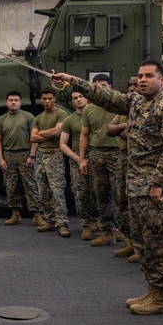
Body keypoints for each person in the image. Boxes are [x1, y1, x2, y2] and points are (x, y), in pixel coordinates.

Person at [55, 62, 163, 315]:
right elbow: (107, 97)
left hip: (159, 189)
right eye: (140, 76)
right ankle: (152, 289)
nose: (142, 80)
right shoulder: (137, 102)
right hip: (137, 185)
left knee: (158, 241)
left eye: (149, 76)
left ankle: (161, 297)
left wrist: (158, 183)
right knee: (143, 241)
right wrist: (73, 79)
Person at [79, 74, 123, 247]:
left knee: (120, 195)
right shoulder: (89, 109)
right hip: (96, 154)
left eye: (103, 85)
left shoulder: (119, 105)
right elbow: (84, 134)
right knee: (101, 194)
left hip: (116, 153)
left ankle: (124, 232)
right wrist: (82, 159)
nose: (100, 89)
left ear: (110, 87)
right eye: (96, 86)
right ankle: (107, 232)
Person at [106, 76, 139, 260]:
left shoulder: (147, 106)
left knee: (138, 205)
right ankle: (130, 242)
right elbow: (109, 129)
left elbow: (138, 135)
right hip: (122, 157)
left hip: (139, 160)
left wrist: (124, 129)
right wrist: (127, 126)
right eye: (130, 84)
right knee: (121, 201)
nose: (133, 87)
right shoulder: (125, 108)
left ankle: (142, 248)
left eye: (136, 84)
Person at [30, 88, 71, 237]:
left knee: (57, 191)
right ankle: (50, 221)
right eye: (44, 99)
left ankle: (62, 224)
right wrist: (45, 134)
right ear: (41, 99)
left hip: (55, 155)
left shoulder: (61, 114)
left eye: (50, 98)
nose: (47, 101)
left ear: (54, 99)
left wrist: (41, 133)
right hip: (41, 156)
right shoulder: (39, 118)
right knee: (43, 192)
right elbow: (32, 138)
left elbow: (57, 132)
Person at [0, 91, 39, 226]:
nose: (13, 102)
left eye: (16, 100)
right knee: (11, 186)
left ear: (20, 102)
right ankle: (15, 214)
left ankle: (37, 215)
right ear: (6, 102)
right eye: (11, 100)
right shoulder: (1, 120)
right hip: (9, 155)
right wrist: (1, 159)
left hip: (25, 155)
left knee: (30, 185)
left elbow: (34, 137)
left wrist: (32, 155)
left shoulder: (28, 117)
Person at [60, 91, 95, 239]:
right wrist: (77, 159)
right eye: (75, 98)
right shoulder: (69, 120)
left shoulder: (95, 114)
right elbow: (62, 144)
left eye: (81, 96)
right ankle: (86, 226)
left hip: (95, 157)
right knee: (81, 193)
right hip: (77, 160)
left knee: (102, 192)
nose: (79, 100)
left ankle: (106, 225)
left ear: (86, 98)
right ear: (72, 102)